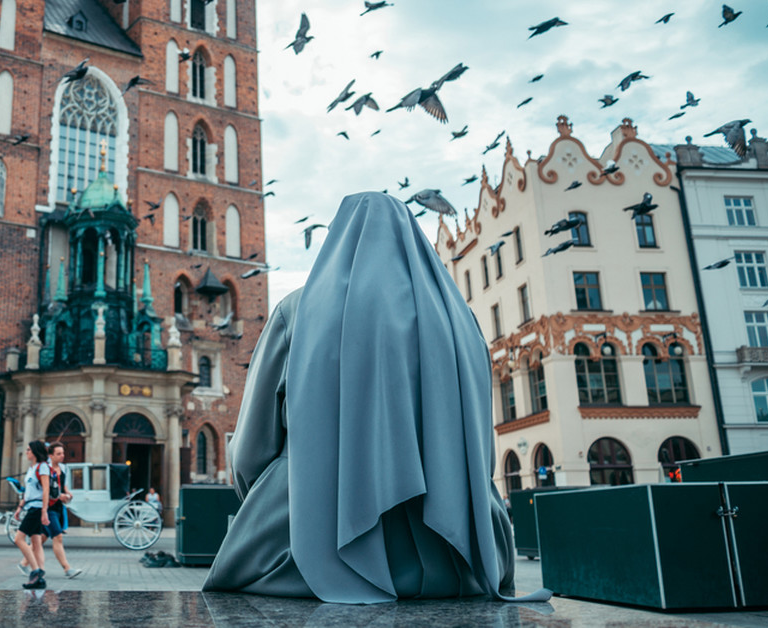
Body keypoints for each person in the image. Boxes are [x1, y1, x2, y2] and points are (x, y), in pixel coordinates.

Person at [204, 192, 552, 604]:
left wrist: (275, 498)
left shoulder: (296, 311)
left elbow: (249, 452)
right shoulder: (461, 319)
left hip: (302, 554)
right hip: (462, 558)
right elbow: (480, 446)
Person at [14, 441, 52, 589]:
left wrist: (44, 511)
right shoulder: (32, 468)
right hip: (30, 507)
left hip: (37, 508)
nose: (27, 452)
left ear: (35, 452)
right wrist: (20, 507)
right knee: (36, 542)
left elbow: (46, 490)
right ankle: (39, 577)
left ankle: (35, 572)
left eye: (29, 450)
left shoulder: (43, 467)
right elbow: (28, 492)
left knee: (19, 539)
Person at [45, 443, 82, 579]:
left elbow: (63, 485)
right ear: (51, 455)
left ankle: (24, 563)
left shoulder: (63, 468)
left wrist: (68, 493)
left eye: (63, 453)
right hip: (48, 507)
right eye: (59, 454)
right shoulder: (46, 470)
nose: (62, 456)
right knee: (58, 537)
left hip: (59, 507)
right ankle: (67, 568)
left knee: (42, 538)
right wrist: (60, 496)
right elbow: (45, 490)